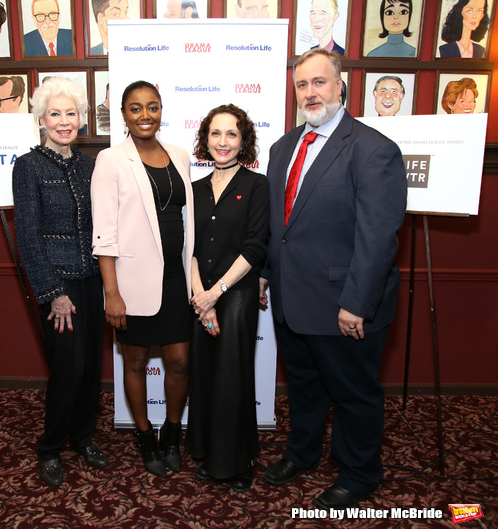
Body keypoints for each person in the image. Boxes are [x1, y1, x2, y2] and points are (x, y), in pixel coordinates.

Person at [261, 49, 406, 511]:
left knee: (352, 395)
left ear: (340, 86)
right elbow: (277, 225)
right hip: (292, 299)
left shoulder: (373, 148)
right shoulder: (283, 147)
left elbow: (379, 236)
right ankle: (301, 453)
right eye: (302, 84)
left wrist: (357, 303)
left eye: (319, 82)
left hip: (345, 304)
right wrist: (266, 273)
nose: (310, 92)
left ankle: (360, 472)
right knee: (304, 387)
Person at [91, 81, 194, 478]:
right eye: (136, 109)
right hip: (131, 282)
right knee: (134, 361)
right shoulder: (111, 161)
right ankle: (144, 434)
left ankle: (171, 431)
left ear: (162, 110)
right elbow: (104, 233)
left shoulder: (180, 155)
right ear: (123, 115)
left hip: (176, 277)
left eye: (152, 107)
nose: (145, 115)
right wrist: (111, 294)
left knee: (180, 362)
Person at [12, 76, 109, 487]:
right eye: (56, 114)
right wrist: (53, 294)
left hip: (93, 282)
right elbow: (27, 236)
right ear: (41, 119)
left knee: (90, 367)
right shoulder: (28, 166)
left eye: (71, 113)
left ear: (82, 119)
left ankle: (82, 435)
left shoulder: (93, 165)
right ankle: (50, 447)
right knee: (67, 368)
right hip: (58, 287)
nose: (64, 121)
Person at [186, 104, 269, 493]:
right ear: (205, 139)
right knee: (204, 373)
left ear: (243, 141)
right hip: (200, 292)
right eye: (215, 134)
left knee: (233, 377)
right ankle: (208, 451)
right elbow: (190, 248)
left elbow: (255, 249)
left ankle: (236, 460)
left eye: (231, 134)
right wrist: (200, 297)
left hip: (237, 293)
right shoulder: (194, 188)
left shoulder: (257, 185)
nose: (223, 142)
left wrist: (216, 295)